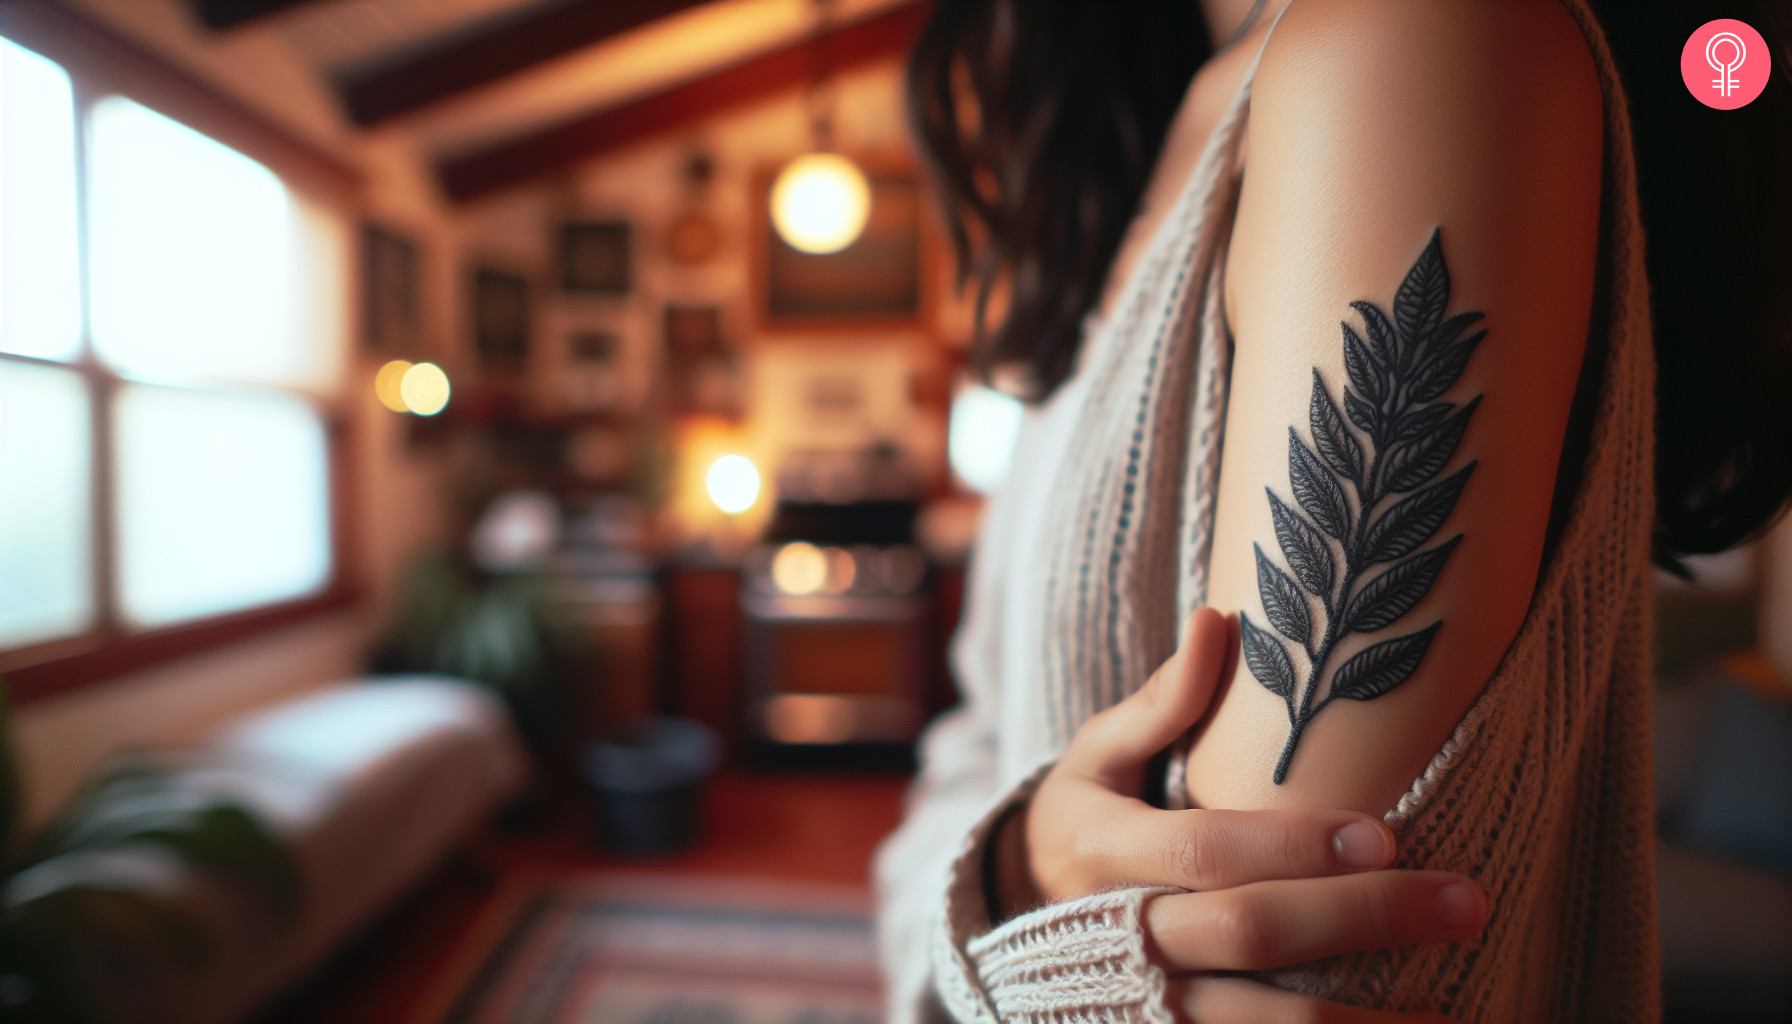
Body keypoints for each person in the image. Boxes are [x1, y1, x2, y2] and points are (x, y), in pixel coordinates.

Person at [876, 1, 1792, 1021]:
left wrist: (1026, 931)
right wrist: (1015, 867)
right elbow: (968, 746)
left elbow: (1312, 981)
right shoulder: (1140, 124)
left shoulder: (1407, 52)